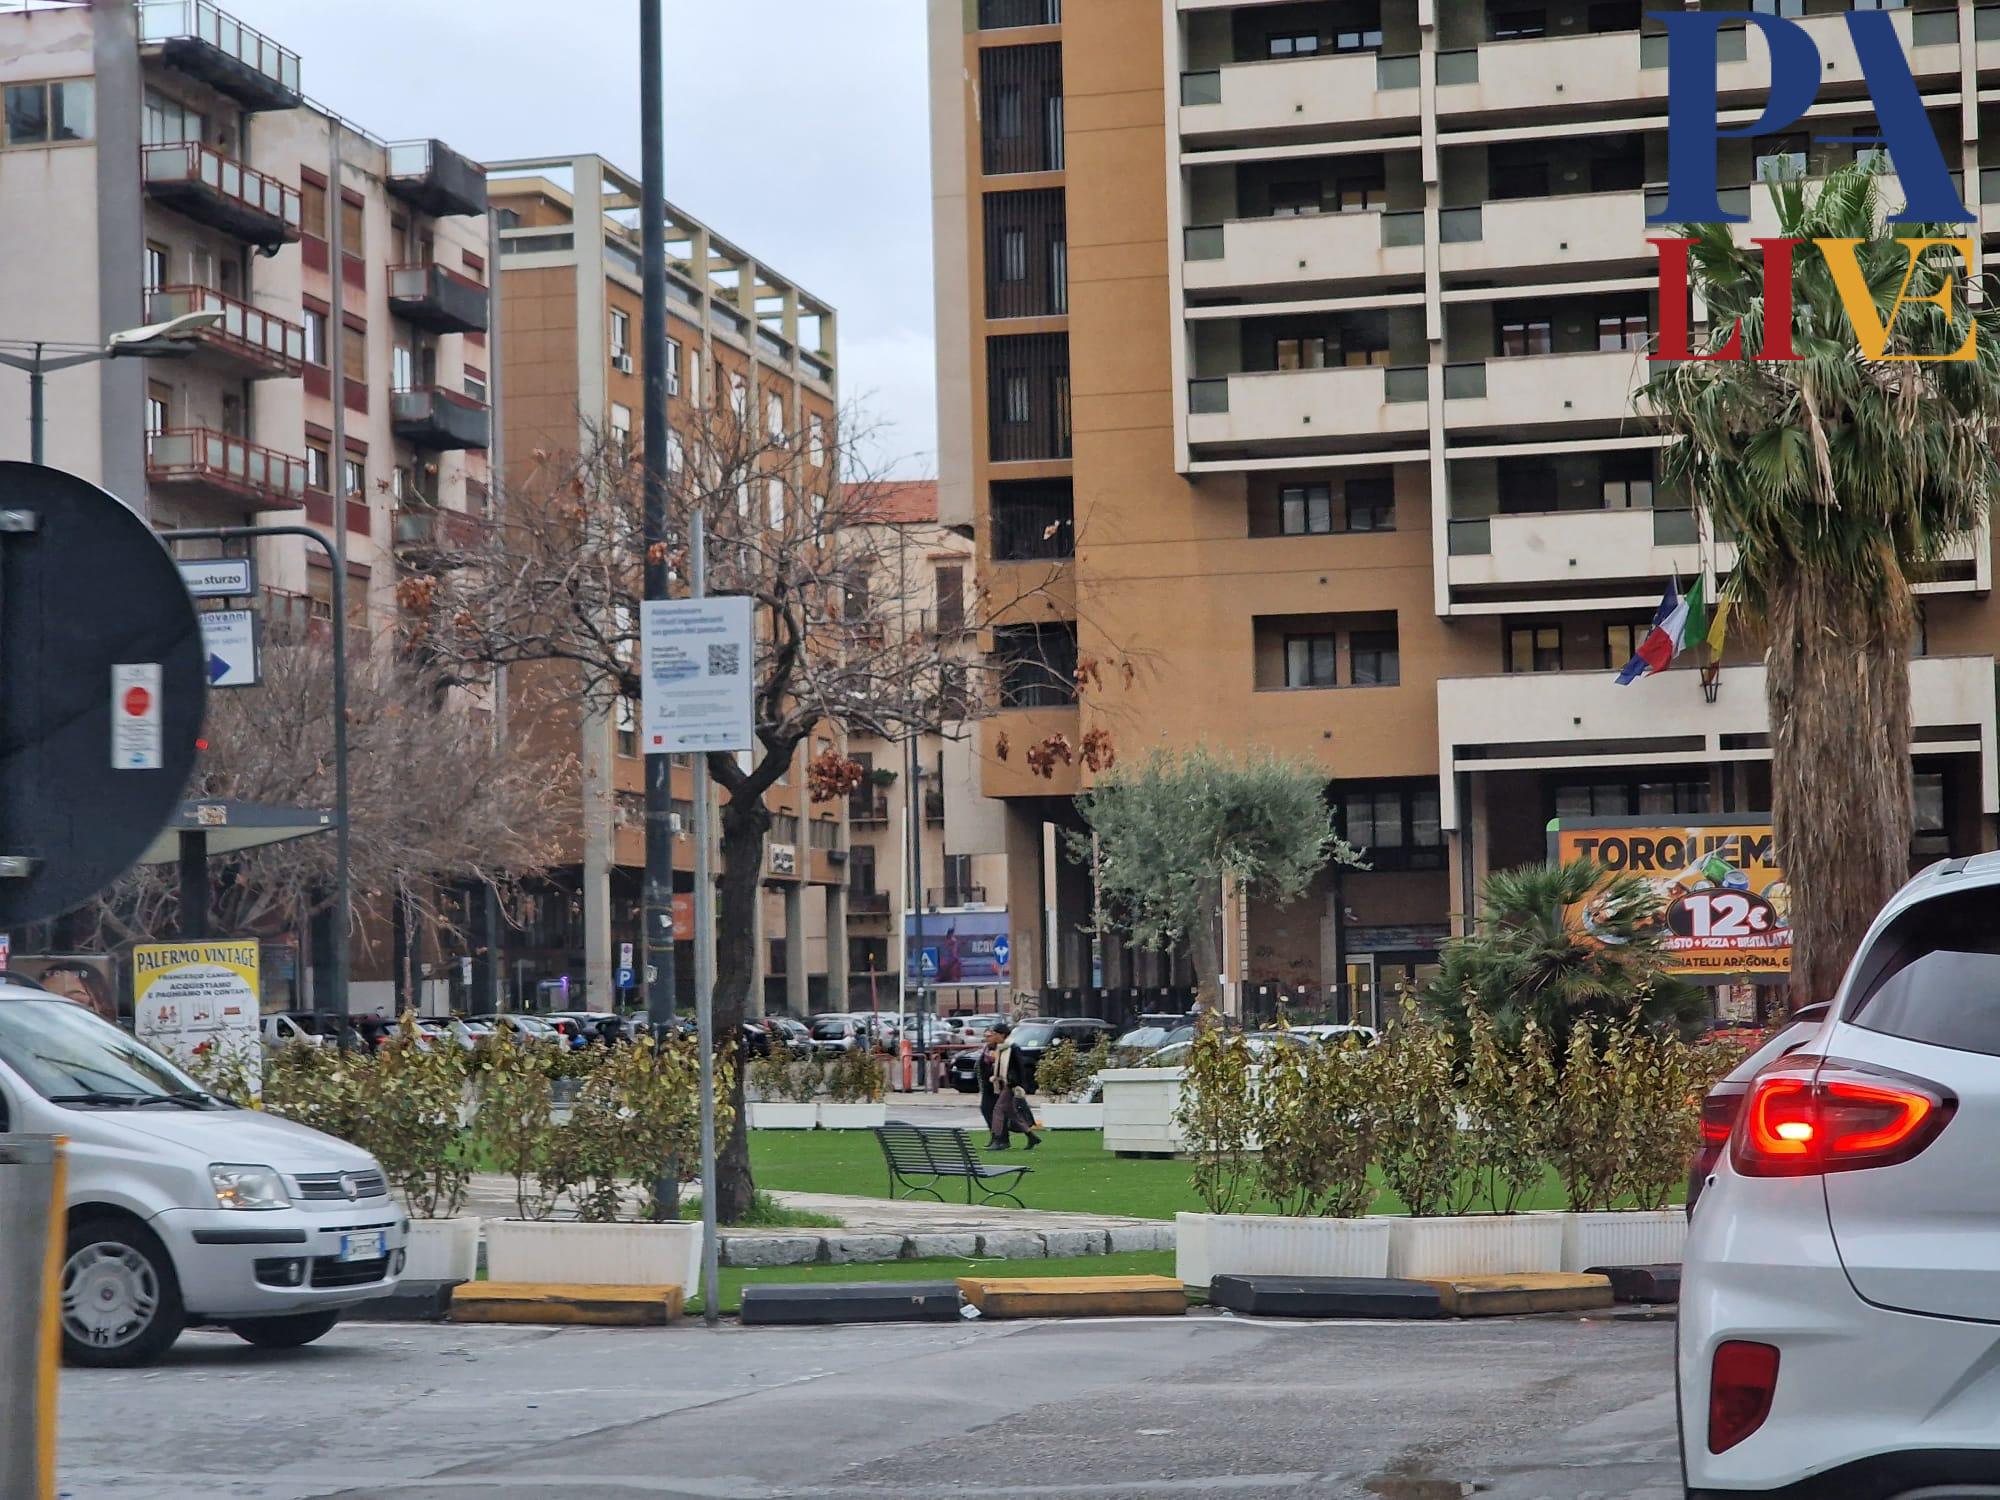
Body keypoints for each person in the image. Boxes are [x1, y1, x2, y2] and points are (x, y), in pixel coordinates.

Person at [989, 1020, 1042, 1152]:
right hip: (1003, 1083)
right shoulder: (1001, 1048)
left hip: (1011, 1085)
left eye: (995, 1034)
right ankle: (1031, 1136)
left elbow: (1020, 1068)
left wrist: (1019, 1085)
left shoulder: (1012, 1048)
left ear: (1002, 1035)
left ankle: (998, 1139)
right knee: (1013, 1114)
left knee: (998, 1109)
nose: (993, 1036)